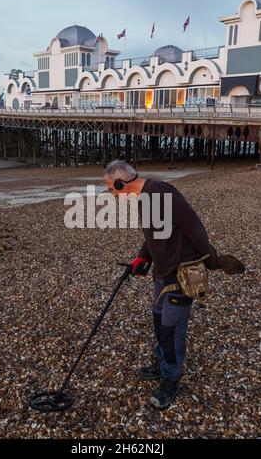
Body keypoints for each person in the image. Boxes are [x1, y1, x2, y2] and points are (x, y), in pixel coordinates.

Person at [104, 160, 244, 410]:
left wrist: (212, 260)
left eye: (111, 189)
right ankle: (162, 363)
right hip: (162, 273)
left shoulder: (162, 192)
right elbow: (153, 236)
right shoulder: (144, 198)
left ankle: (172, 378)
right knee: (159, 321)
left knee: (172, 329)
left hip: (182, 273)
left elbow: (194, 226)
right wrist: (142, 258)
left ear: (119, 183)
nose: (112, 194)